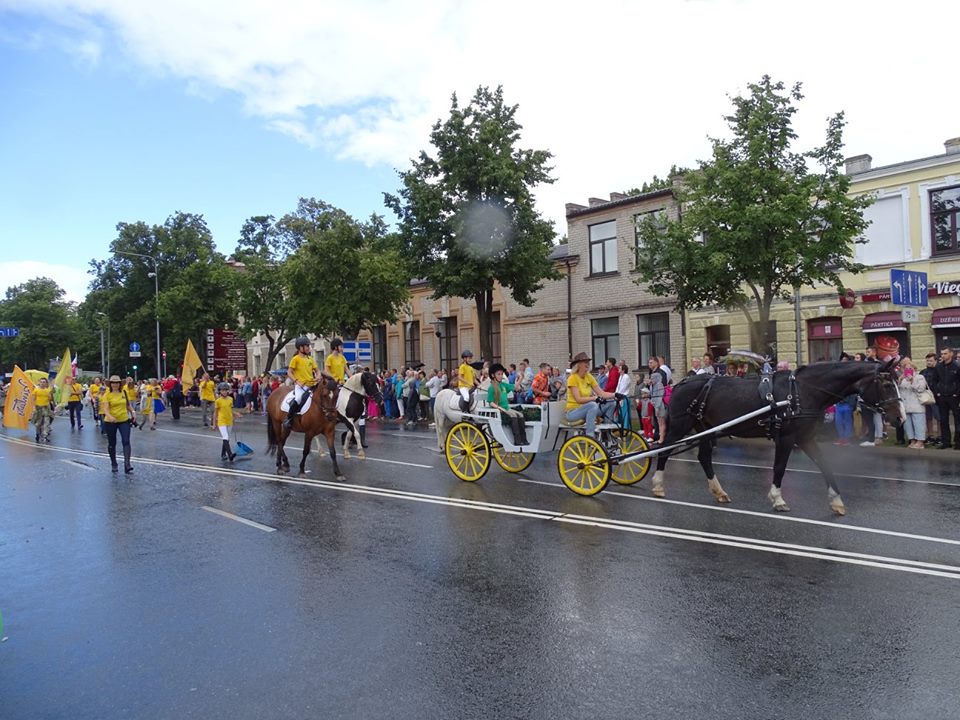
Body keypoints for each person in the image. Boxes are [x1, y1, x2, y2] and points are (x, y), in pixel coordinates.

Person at [565, 352, 617, 435]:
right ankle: (590, 434)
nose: (588, 364)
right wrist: (594, 398)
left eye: (588, 362)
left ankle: (607, 432)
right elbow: (578, 400)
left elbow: (601, 393)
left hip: (589, 409)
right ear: (578, 364)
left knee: (612, 403)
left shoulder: (589, 376)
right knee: (592, 405)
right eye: (585, 362)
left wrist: (615, 395)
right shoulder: (572, 378)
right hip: (573, 412)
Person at [487, 363, 529, 446]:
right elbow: (490, 402)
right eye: (498, 374)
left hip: (506, 408)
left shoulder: (503, 385)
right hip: (500, 410)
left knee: (520, 415)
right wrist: (499, 408)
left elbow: (515, 387)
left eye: (501, 374)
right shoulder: (492, 387)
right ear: (493, 375)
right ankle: (517, 441)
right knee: (513, 415)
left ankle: (523, 439)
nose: (500, 376)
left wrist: (521, 378)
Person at [101, 375, 134, 473]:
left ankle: (127, 464)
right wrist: (110, 416)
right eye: (113, 383)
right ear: (110, 384)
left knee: (126, 441)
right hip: (111, 421)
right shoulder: (107, 394)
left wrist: (133, 412)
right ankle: (114, 463)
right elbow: (105, 409)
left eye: (117, 382)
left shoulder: (124, 392)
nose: (115, 384)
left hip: (123, 419)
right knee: (112, 443)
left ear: (120, 383)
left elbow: (127, 405)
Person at [929, 346, 960, 450]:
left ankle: (958, 443)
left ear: (951, 354)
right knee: (943, 420)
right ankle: (946, 442)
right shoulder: (938, 367)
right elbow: (934, 381)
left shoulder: (957, 366)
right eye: (942, 354)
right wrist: (937, 392)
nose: (943, 355)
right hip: (942, 397)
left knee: (957, 420)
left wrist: (957, 393)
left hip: (954, 397)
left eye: (945, 353)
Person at [287, 337, 321, 429]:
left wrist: (318, 376)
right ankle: (289, 419)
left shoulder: (310, 359)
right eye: (307, 346)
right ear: (300, 347)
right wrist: (296, 381)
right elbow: (289, 372)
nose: (308, 347)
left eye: (308, 346)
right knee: (298, 399)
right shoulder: (296, 359)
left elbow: (317, 370)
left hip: (312, 384)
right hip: (301, 385)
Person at [898, 357, 929, 449]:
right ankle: (912, 440)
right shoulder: (902, 378)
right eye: (905, 368)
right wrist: (899, 381)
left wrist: (912, 381)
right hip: (906, 406)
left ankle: (920, 442)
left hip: (917, 405)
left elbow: (921, 389)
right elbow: (899, 391)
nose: (907, 370)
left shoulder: (920, 377)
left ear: (914, 369)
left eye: (910, 368)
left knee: (919, 424)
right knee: (908, 425)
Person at [212, 382, 237, 461]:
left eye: (226, 390)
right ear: (220, 391)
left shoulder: (230, 399)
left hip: (229, 420)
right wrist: (214, 424)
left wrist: (235, 414)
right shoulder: (218, 401)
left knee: (226, 438)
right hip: (221, 421)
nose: (224, 392)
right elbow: (215, 413)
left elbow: (230, 409)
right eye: (222, 390)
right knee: (225, 437)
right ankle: (230, 455)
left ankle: (223, 454)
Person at [920, 353, 940, 445]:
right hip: (925, 398)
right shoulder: (923, 372)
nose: (928, 362)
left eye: (931, 360)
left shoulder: (939, 371)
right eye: (927, 360)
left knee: (939, 418)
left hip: (937, 398)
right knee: (928, 418)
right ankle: (930, 436)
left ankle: (940, 436)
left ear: (936, 361)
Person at [31, 377, 54, 443]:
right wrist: (33, 408)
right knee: (38, 424)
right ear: (39, 383)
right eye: (41, 382)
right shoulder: (36, 390)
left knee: (47, 422)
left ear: (46, 383)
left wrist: (51, 393)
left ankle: (45, 436)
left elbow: (50, 399)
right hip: (38, 408)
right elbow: (33, 399)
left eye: (44, 382)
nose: (42, 383)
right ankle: (37, 434)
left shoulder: (47, 390)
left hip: (46, 408)